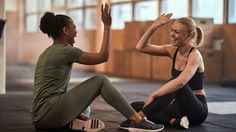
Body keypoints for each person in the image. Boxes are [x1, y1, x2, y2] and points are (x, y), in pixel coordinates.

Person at [31, 3, 164, 132]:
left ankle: (73, 122)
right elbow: (103, 57)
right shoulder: (67, 51)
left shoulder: (47, 52)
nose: (76, 32)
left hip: (39, 118)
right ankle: (138, 121)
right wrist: (107, 26)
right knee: (100, 80)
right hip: (49, 114)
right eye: (74, 28)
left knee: (85, 108)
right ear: (66, 30)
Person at [119, 13, 208, 130]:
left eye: (177, 32)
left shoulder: (195, 56)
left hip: (196, 110)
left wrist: (154, 94)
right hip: (178, 108)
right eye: (172, 30)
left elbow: (180, 82)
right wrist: (155, 25)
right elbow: (141, 47)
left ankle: (139, 118)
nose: (172, 34)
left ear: (189, 35)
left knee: (176, 84)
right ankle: (174, 122)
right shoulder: (172, 50)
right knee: (135, 106)